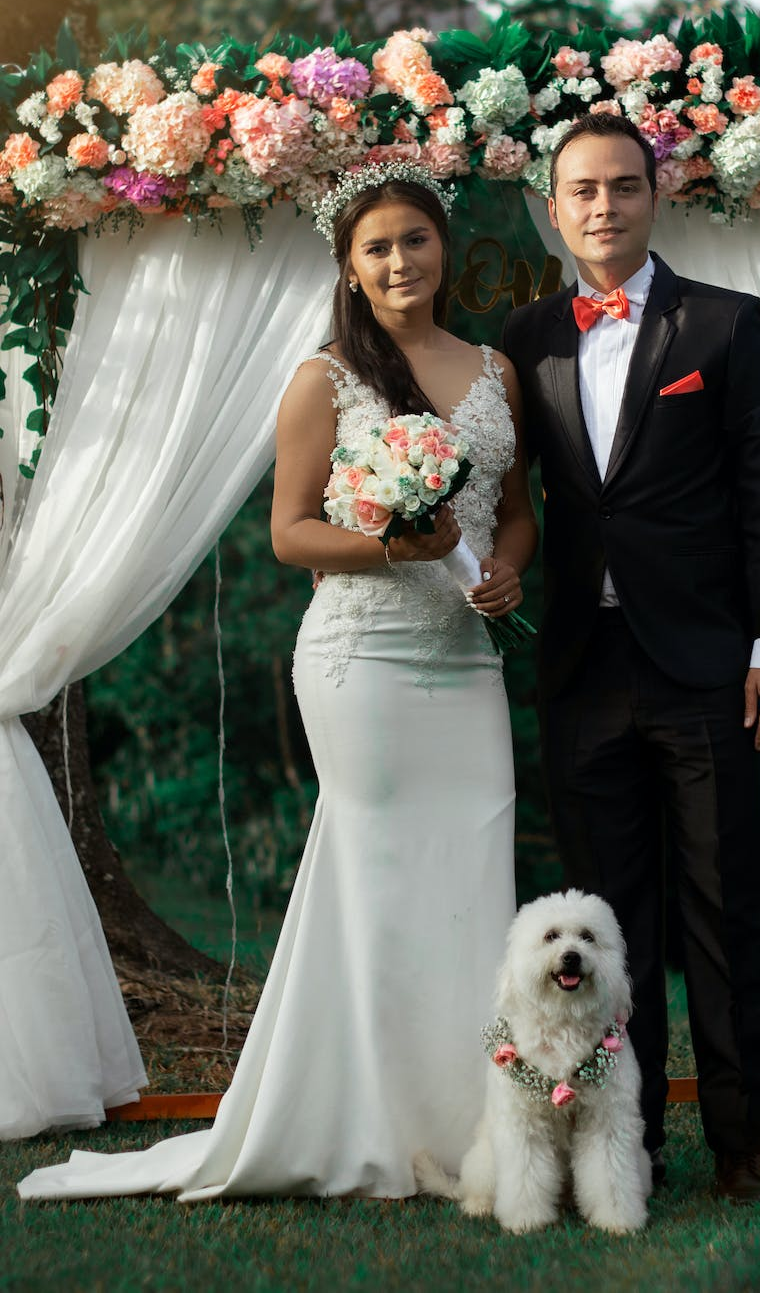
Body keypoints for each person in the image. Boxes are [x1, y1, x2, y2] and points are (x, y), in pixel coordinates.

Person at [18, 162, 537, 1202]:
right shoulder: (324, 377)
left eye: (415, 241)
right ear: (349, 267)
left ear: (444, 248)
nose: (399, 261)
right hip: (362, 659)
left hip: (463, 660)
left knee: (474, 868)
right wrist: (394, 549)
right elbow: (290, 533)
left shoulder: (494, 369)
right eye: (377, 248)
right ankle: (358, 1117)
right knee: (375, 875)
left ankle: (472, 1122)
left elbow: (515, 505)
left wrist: (510, 566)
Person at [503, 113, 760, 1205]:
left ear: (653, 195)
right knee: (605, 931)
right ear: (552, 207)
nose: (602, 206)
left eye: (621, 186)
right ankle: (632, 1144)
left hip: (708, 667)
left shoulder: (724, 326)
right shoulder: (524, 335)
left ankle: (740, 1145)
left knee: (725, 911)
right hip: (583, 667)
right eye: (580, 190)